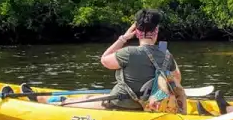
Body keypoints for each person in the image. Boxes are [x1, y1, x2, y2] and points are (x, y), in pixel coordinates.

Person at [23, 9, 185, 112]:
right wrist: (165, 57)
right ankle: (44, 98)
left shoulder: (127, 52)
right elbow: (176, 78)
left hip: (121, 103)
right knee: (88, 97)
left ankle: (44, 100)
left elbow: (104, 60)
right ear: (156, 31)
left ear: (136, 32)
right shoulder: (166, 54)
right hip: (150, 103)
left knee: (75, 103)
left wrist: (123, 38)